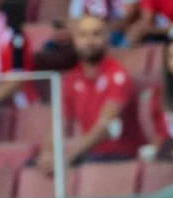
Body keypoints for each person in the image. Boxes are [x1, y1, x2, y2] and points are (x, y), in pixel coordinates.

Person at [37, 14, 145, 172]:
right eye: (83, 35)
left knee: (80, 166)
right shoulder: (72, 78)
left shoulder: (118, 75)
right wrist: (47, 154)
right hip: (91, 156)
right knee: (33, 166)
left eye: (96, 34)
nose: (89, 41)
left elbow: (104, 127)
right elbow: (60, 122)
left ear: (107, 38)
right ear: (74, 40)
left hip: (121, 156)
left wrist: (67, 158)